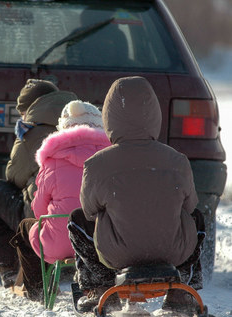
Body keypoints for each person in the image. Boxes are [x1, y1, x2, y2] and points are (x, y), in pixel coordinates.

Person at [67, 76, 205, 315]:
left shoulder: (97, 165)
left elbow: (89, 211)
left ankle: (99, 288)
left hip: (118, 253)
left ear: (109, 116)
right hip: (171, 250)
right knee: (198, 218)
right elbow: (190, 206)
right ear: (153, 114)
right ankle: (182, 290)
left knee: (77, 219)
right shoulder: (177, 160)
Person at [0, 79, 77, 288]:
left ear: (29, 108)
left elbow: (14, 175)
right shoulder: (84, 124)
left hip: (48, 223)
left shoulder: (32, 129)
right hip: (87, 223)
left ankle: (9, 268)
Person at [9, 100, 111, 301]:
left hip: (61, 242)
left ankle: (38, 291)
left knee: (26, 229)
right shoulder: (111, 157)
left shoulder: (52, 160)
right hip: (104, 242)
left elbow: (38, 211)